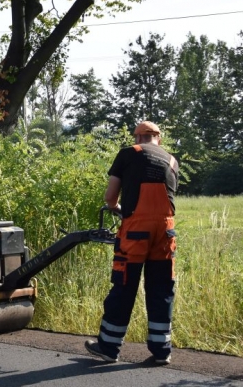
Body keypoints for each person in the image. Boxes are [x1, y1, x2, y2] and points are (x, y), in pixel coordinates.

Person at [85, 121, 179, 365]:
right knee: (161, 288)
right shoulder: (171, 160)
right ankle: (162, 350)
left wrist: (116, 208)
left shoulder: (129, 153)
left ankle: (109, 347)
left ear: (137, 138)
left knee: (124, 285)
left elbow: (110, 197)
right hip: (166, 232)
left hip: (137, 230)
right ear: (158, 137)